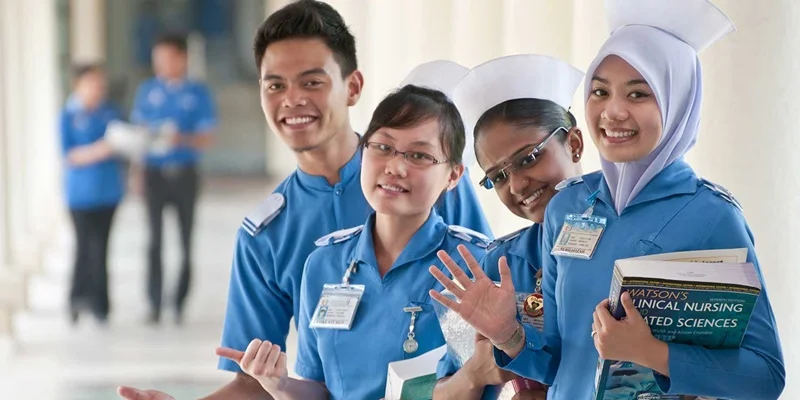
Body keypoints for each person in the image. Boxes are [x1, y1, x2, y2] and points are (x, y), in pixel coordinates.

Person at [117, 1, 491, 399]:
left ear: (353, 87)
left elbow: (483, 328)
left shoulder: (428, 180)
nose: (292, 99)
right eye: (275, 85)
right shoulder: (267, 235)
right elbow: (257, 383)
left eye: (312, 82)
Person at [428, 1, 785, 399]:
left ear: (677, 101)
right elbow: (557, 362)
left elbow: (766, 376)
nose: (613, 111)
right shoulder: (567, 208)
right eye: (600, 91)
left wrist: (652, 353)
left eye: (638, 93)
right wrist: (509, 335)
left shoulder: (712, 216)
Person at [218, 71, 492, 400]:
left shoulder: (472, 266)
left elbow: (475, 383)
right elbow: (320, 389)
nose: (395, 167)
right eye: (383, 147)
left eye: (419, 155)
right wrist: (278, 383)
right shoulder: (325, 264)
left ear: (453, 175)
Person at [431, 55, 585, 400]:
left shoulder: (628, 239)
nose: (516, 186)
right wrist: (480, 370)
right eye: (498, 176)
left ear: (573, 144)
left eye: (529, 158)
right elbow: (446, 389)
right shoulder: (497, 267)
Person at [129, 33, 218, 324]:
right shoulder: (147, 91)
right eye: (158, 60)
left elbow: (207, 138)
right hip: (155, 174)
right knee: (154, 240)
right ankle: (154, 303)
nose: (163, 65)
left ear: (183, 58)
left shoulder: (198, 93)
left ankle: (179, 301)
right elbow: (139, 135)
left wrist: (179, 139)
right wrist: (136, 172)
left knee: (184, 240)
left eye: (168, 58)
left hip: (185, 174)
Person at [59, 63, 125, 325]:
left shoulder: (110, 113)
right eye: (92, 83)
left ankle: (101, 305)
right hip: (80, 196)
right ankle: (77, 299)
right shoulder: (67, 115)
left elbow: (123, 142)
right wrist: (101, 150)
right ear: (78, 85)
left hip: (108, 194)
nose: (98, 88)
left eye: (101, 83)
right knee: (83, 248)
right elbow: (70, 155)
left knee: (102, 249)